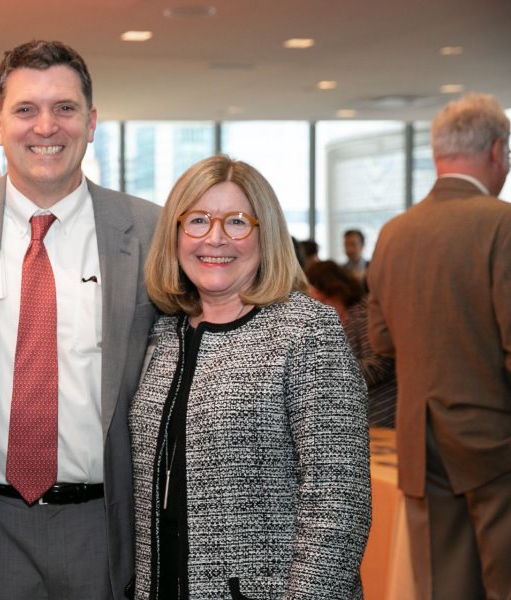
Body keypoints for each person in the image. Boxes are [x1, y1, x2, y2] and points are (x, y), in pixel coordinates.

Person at [0, 40, 161, 600]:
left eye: (64, 108)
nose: (45, 126)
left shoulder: (150, 232)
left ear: (91, 121)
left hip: (104, 525)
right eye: (26, 109)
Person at [132, 155, 371, 599]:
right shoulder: (163, 333)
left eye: (237, 222)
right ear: (175, 234)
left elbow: (339, 499)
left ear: (266, 234)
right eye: (197, 220)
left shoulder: (305, 329)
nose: (215, 238)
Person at [367, 93, 511, 599]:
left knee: (443, 582)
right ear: (496, 151)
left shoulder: (393, 233)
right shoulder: (502, 224)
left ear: (437, 155)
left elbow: (382, 340)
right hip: (496, 437)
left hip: (418, 435)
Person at [305, 260, 396, 427]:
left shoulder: (363, 315)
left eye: (314, 291)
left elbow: (379, 364)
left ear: (332, 289)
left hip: (379, 416)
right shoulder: (332, 320)